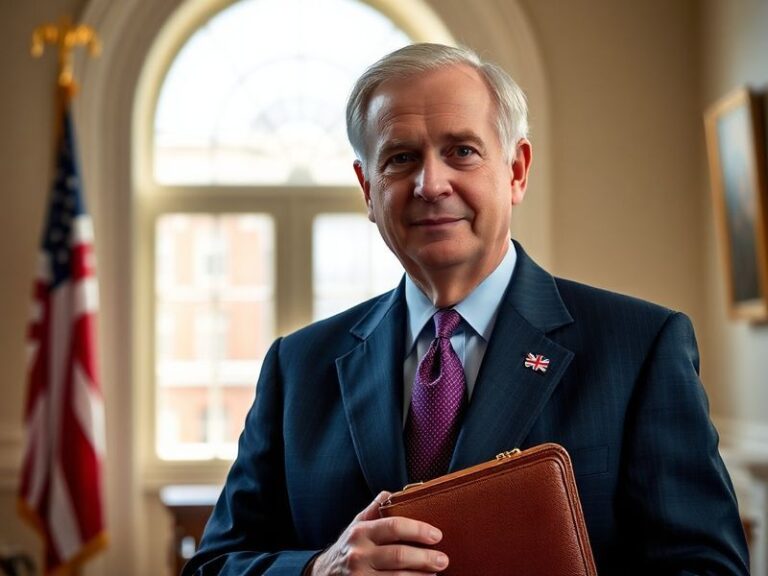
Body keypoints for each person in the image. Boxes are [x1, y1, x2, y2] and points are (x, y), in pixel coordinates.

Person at [182, 43, 750, 575]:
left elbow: (709, 568)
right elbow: (214, 564)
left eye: (462, 151)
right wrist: (317, 569)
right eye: (401, 158)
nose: (431, 184)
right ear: (367, 188)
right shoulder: (297, 366)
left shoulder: (640, 348)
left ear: (516, 171)